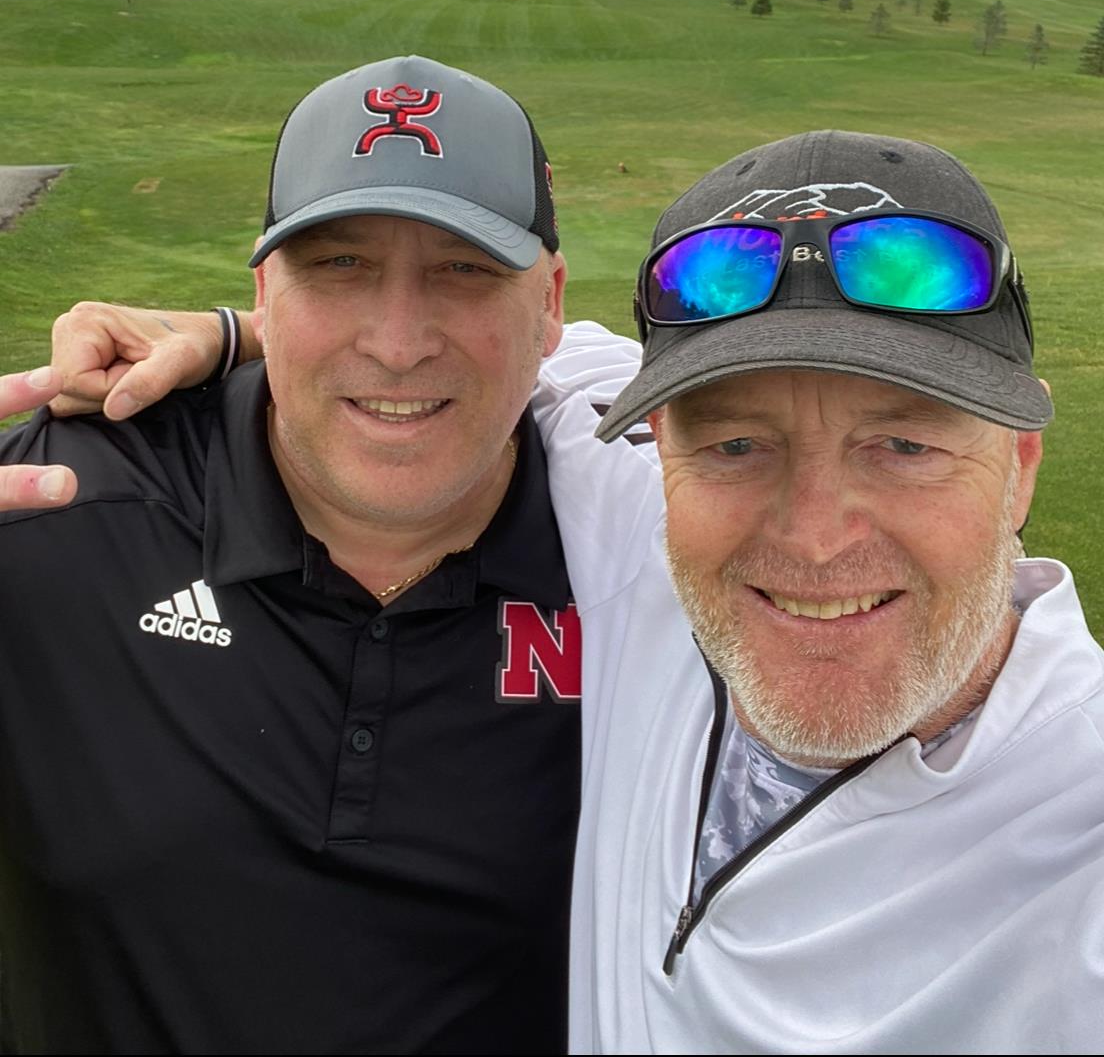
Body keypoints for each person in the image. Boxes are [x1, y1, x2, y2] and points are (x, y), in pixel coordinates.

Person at [10, 131, 1103, 1053]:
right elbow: (476, 355)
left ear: (1019, 467)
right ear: (657, 445)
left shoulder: (1075, 817)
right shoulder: (626, 509)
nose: (815, 538)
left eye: (904, 445)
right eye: (735, 446)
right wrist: (238, 337)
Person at [0, 54, 580, 1054]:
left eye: (464, 269)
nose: (398, 343)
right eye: (339, 265)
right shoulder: (56, 507)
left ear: (553, 300)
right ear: (264, 292)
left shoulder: (646, 552)